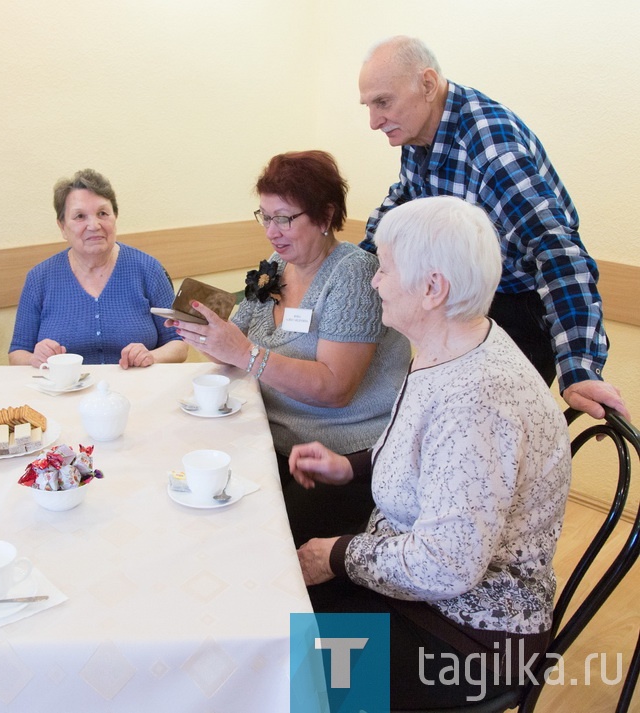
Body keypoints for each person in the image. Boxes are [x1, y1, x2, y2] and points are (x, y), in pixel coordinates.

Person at [292, 196, 571, 707]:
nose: (374, 281)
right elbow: (431, 456)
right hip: (424, 588)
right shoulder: (455, 343)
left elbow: (447, 566)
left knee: (292, 660)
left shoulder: (478, 399)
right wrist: (351, 465)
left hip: (469, 637)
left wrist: (335, 554)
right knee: (281, 596)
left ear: (432, 288)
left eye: (386, 268)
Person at [358, 35, 630, 422]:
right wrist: (355, 260)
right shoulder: (418, 131)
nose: (373, 121)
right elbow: (405, 196)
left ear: (428, 84)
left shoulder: (490, 148)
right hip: (469, 297)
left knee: (482, 429)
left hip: (521, 303)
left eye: (383, 102)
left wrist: (580, 369)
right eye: (368, 106)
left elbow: (557, 250)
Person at [170, 151, 411, 546]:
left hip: (338, 457)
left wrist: (245, 353)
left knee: (263, 545)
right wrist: (202, 332)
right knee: (207, 518)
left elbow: (336, 389)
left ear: (325, 215)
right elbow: (235, 343)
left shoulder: (353, 274)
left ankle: (328, 607)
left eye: (284, 218)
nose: (271, 231)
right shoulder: (276, 266)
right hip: (270, 439)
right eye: (265, 216)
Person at [8, 169, 187, 369]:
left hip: (137, 391)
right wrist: (34, 359)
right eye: (79, 216)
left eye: (102, 213)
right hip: (64, 394)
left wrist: (152, 357)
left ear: (115, 217)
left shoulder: (149, 270)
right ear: (62, 227)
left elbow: (179, 344)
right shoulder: (38, 279)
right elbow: (17, 353)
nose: (94, 225)